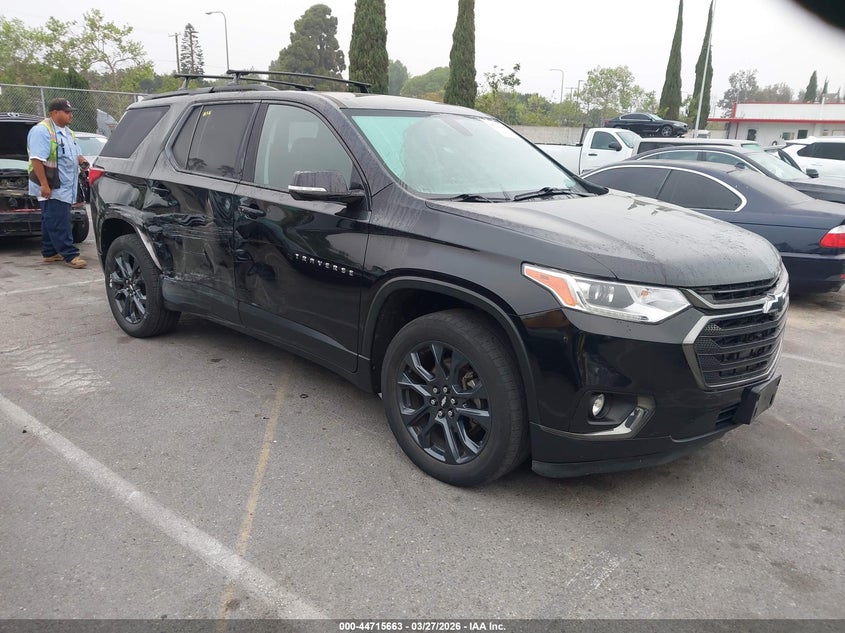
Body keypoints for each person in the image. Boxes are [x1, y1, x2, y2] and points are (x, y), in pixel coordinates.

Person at [27, 98, 89, 268]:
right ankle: (70, 254)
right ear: (54, 113)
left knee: (50, 219)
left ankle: (50, 252)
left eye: (71, 112)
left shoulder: (68, 132)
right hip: (52, 185)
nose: (71, 115)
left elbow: (75, 153)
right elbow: (37, 160)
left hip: (66, 184)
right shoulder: (42, 131)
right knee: (60, 220)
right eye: (67, 112)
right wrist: (44, 185)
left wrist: (82, 161)